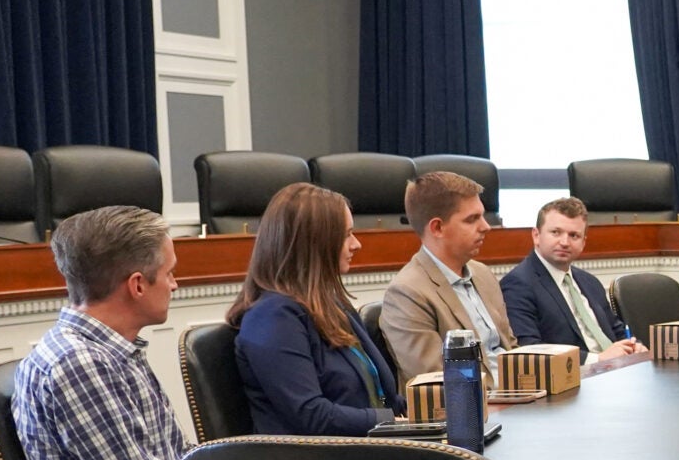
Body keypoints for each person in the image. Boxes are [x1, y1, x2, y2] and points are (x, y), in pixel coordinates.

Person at [9, 205, 195, 460]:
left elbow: (176, 459)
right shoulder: (80, 365)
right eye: (168, 273)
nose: (176, 284)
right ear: (137, 285)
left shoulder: (111, 350)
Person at [226, 183, 401, 437]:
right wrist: (394, 421)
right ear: (314, 243)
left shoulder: (333, 304)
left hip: (367, 452)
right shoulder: (273, 317)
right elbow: (310, 415)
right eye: (346, 235)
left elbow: (383, 398)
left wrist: (432, 415)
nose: (357, 244)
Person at [381, 170, 515, 383]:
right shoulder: (407, 293)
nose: (486, 227)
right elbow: (437, 378)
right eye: (472, 219)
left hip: (519, 399)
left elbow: (510, 349)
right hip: (476, 408)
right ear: (437, 228)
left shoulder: (482, 274)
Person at [501, 197, 647, 363]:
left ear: (583, 242)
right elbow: (530, 349)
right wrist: (597, 359)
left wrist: (636, 346)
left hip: (616, 371)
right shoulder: (518, 284)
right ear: (536, 235)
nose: (564, 242)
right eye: (556, 232)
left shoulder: (589, 281)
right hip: (574, 379)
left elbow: (617, 330)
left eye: (574, 235)